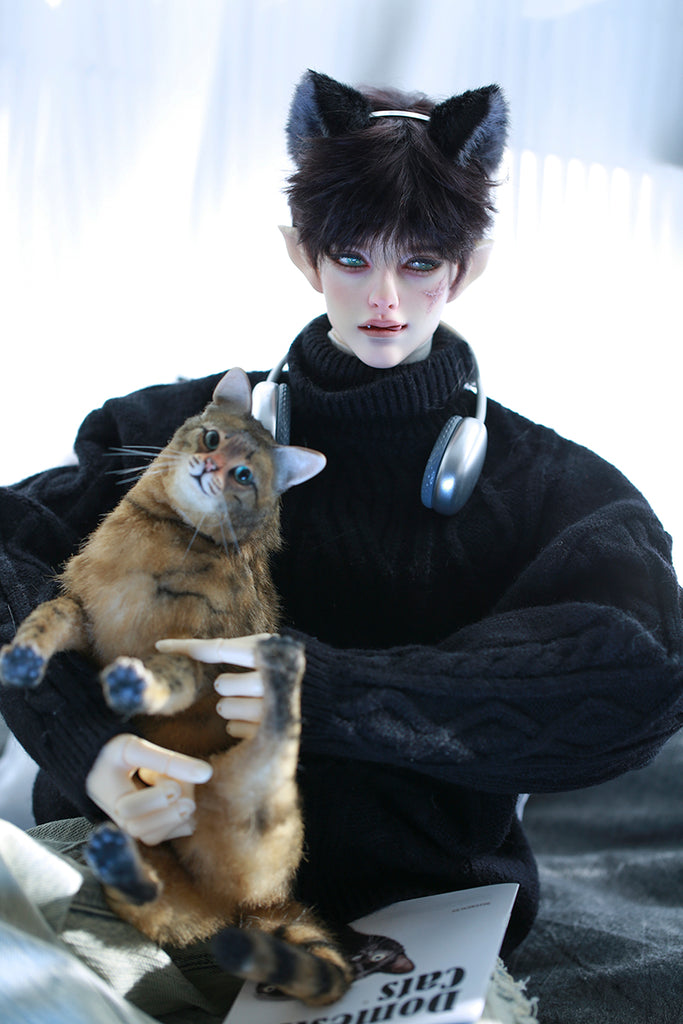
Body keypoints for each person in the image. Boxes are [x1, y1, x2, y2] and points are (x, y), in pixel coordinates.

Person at [0, 69, 681, 1022]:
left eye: (422, 261)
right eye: (352, 258)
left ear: (469, 265)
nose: (385, 298)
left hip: (401, 921)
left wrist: (327, 691)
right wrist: (89, 745)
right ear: (301, 253)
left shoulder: (548, 488)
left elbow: (634, 677)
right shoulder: (169, 435)